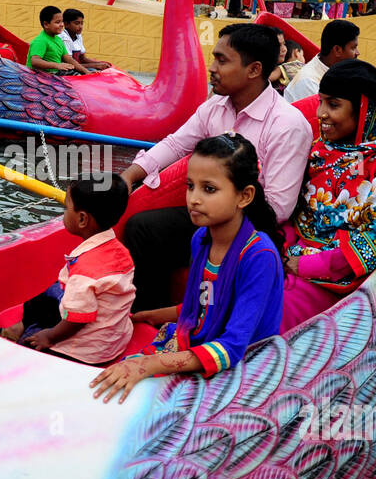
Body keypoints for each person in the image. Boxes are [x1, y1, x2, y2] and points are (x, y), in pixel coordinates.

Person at [120, 23, 313, 310]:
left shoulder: (288, 125)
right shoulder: (216, 106)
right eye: (215, 58)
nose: (212, 68)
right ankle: (146, 314)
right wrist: (127, 177)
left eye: (222, 60)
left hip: (252, 226)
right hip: (212, 211)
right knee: (142, 228)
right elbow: (176, 144)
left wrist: (218, 209)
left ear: (254, 70)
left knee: (156, 229)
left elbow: (278, 208)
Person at [90, 133, 284, 403]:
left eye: (209, 189)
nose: (193, 199)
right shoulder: (201, 239)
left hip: (242, 369)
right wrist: (144, 315)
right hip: (199, 343)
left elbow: (232, 347)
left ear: (245, 196)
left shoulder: (259, 256)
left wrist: (148, 366)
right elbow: (201, 307)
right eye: (190, 186)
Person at [280, 59, 376, 332]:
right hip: (291, 262)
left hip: (338, 286)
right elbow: (299, 211)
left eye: (333, 104)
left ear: (364, 109)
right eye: (321, 102)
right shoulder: (327, 150)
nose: (321, 113)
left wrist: (305, 265)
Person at [0, 174, 135, 366]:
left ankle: (21, 331)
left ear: (82, 219)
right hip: (114, 339)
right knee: (49, 294)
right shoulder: (121, 253)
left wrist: (50, 337)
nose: (64, 212)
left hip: (85, 351)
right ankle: (24, 323)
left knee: (29, 344)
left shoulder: (85, 271)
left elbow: (77, 319)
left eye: (66, 207)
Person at [282, 18, 360, 102]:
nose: (357, 53)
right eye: (354, 48)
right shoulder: (309, 83)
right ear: (337, 50)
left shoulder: (335, 71)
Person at [29, 5, 90, 75]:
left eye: (62, 22)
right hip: (42, 76)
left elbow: (69, 59)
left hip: (56, 73)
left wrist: (86, 72)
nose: (61, 25)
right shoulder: (40, 40)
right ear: (46, 24)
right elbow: (35, 61)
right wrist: (57, 65)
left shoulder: (58, 39)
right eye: (58, 22)